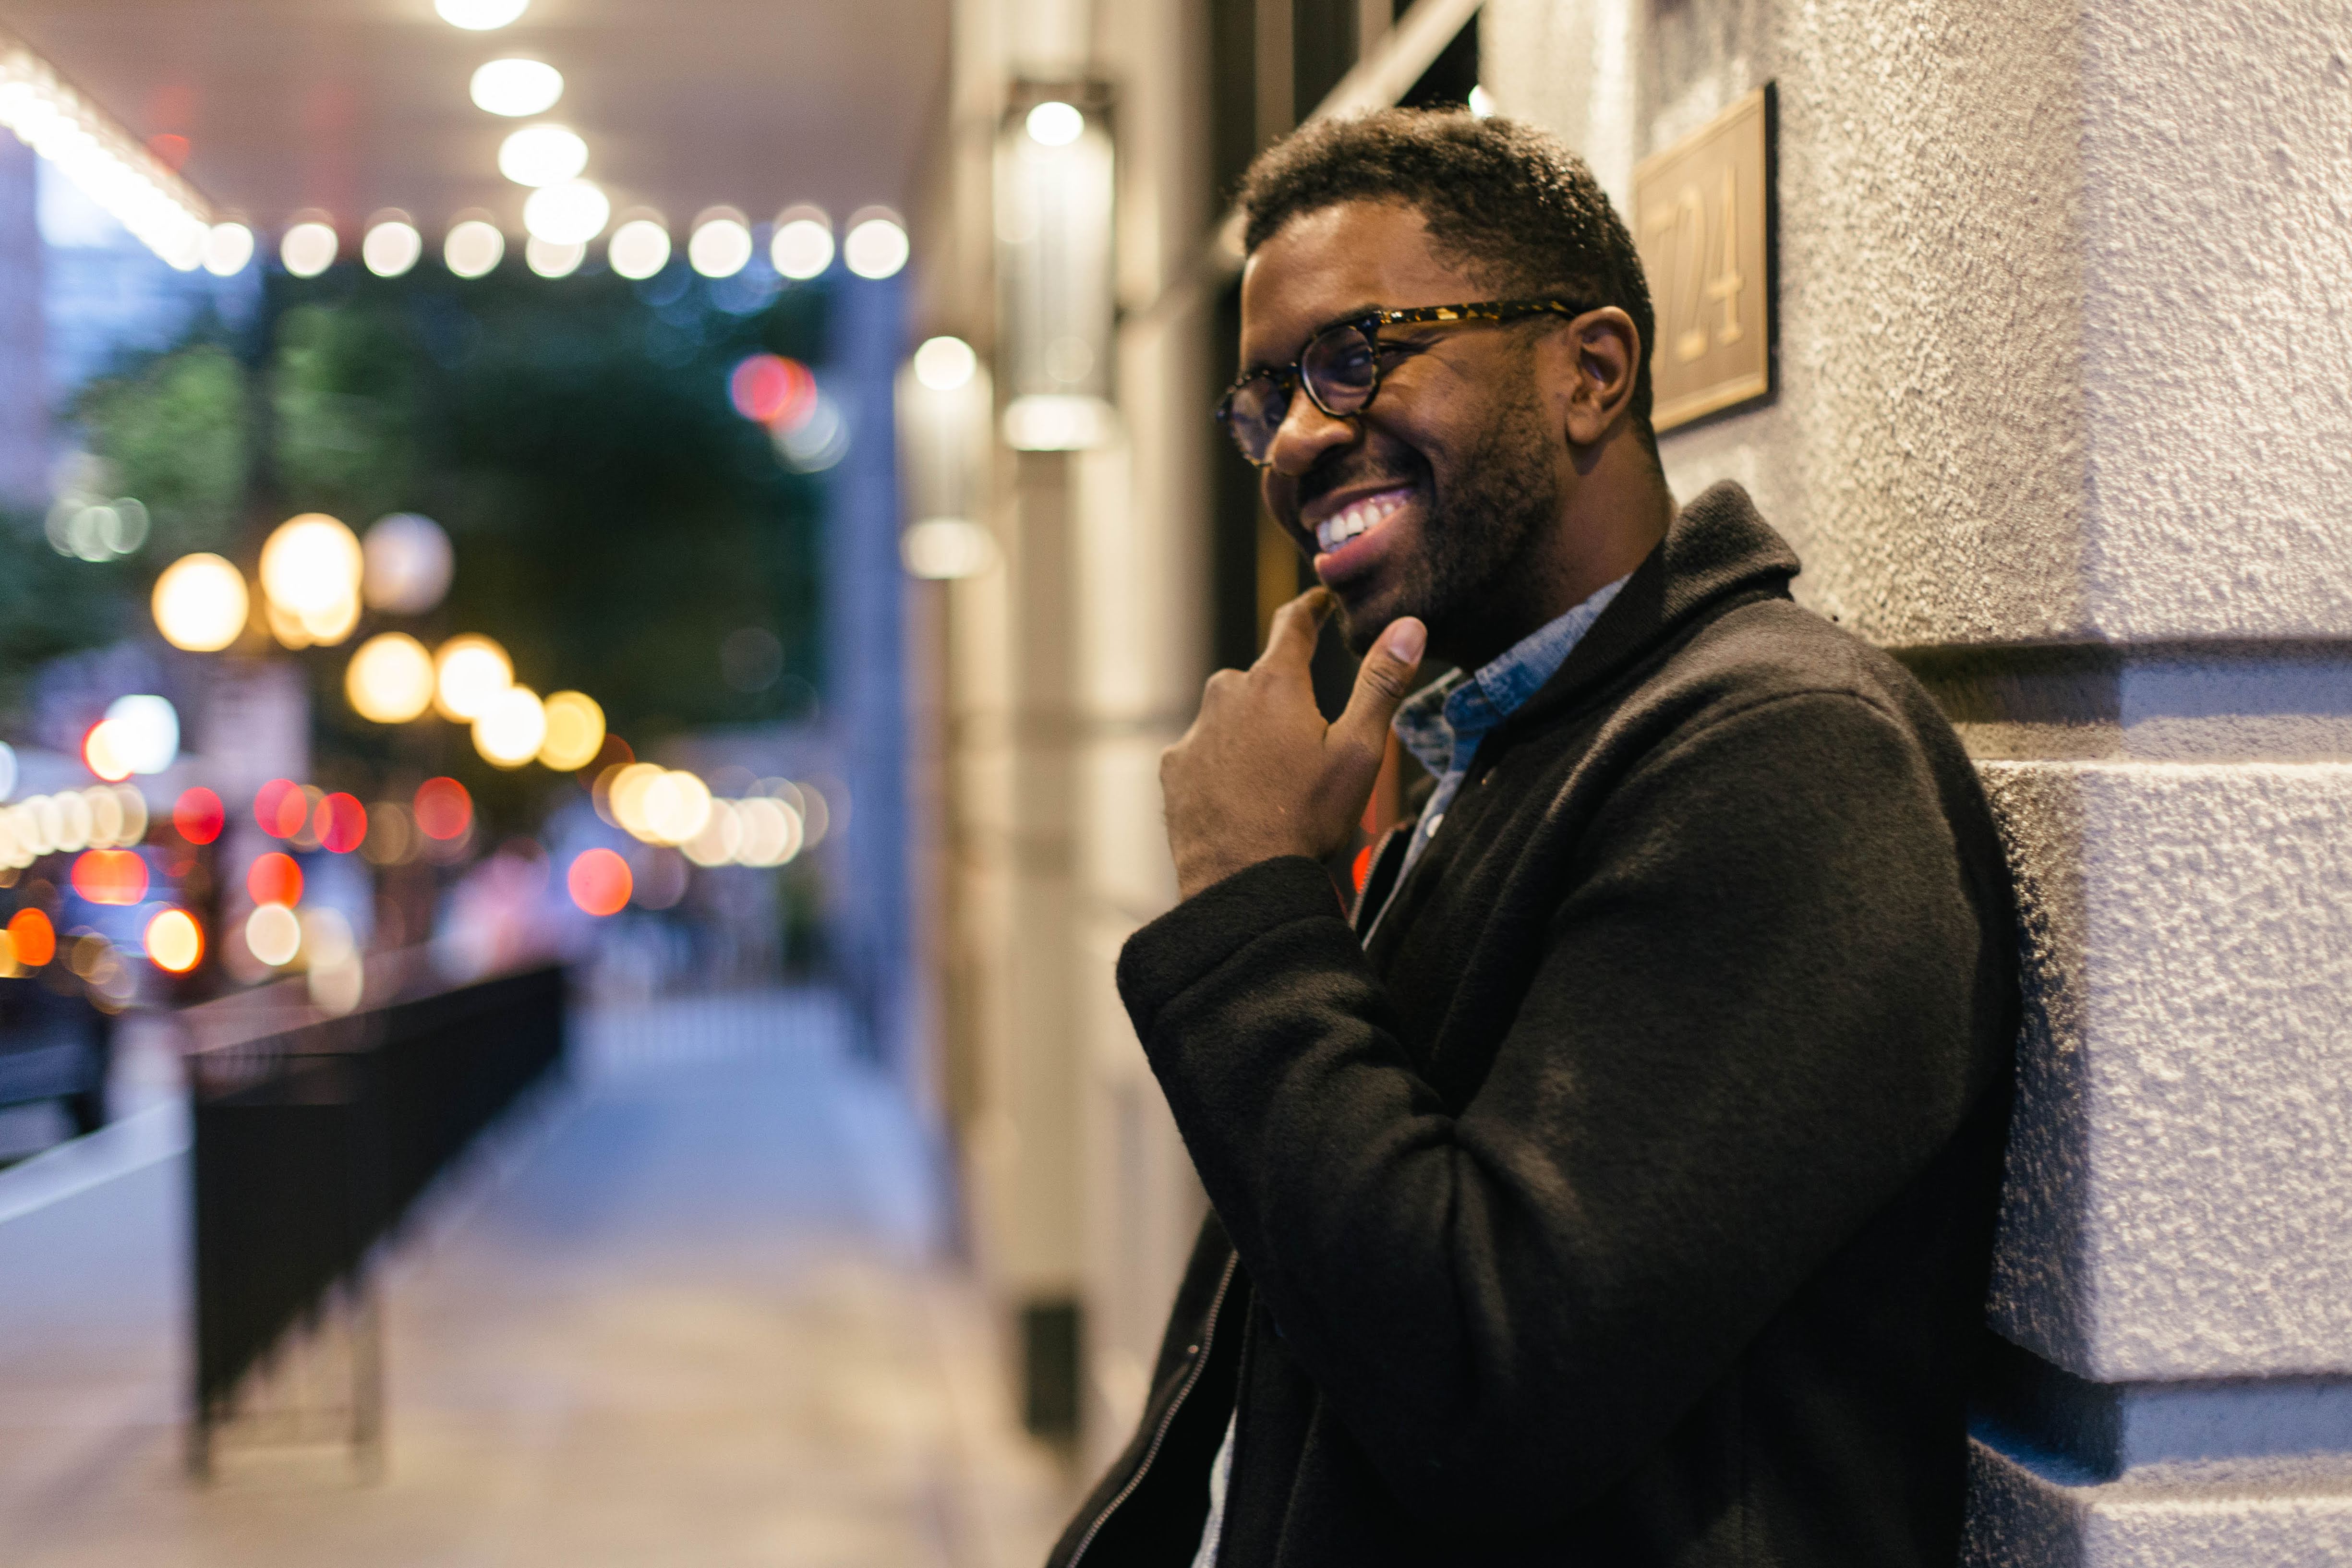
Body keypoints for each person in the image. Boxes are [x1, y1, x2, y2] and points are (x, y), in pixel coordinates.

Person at [1046, 109, 2018, 1568]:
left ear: (1590, 372)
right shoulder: (1511, 748)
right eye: (1266, 399)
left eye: (1356, 354)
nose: (1297, 439)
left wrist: (1247, 901)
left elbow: (1488, 1381)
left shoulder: (1783, 755)